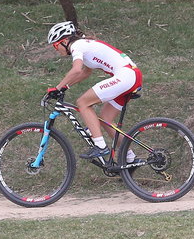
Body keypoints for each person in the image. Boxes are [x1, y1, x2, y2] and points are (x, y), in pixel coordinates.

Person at [46, 21, 143, 161]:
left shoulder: (77, 46)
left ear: (65, 41)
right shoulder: (85, 44)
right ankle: (130, 159)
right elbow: (85, 72)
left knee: (83, 102)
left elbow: (76, 69)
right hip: (132, 76)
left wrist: (58, 87)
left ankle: (100, 146)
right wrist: (66, 86)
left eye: (56, 46)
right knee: (105, 119)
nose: (56, 50)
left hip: (126, 76)